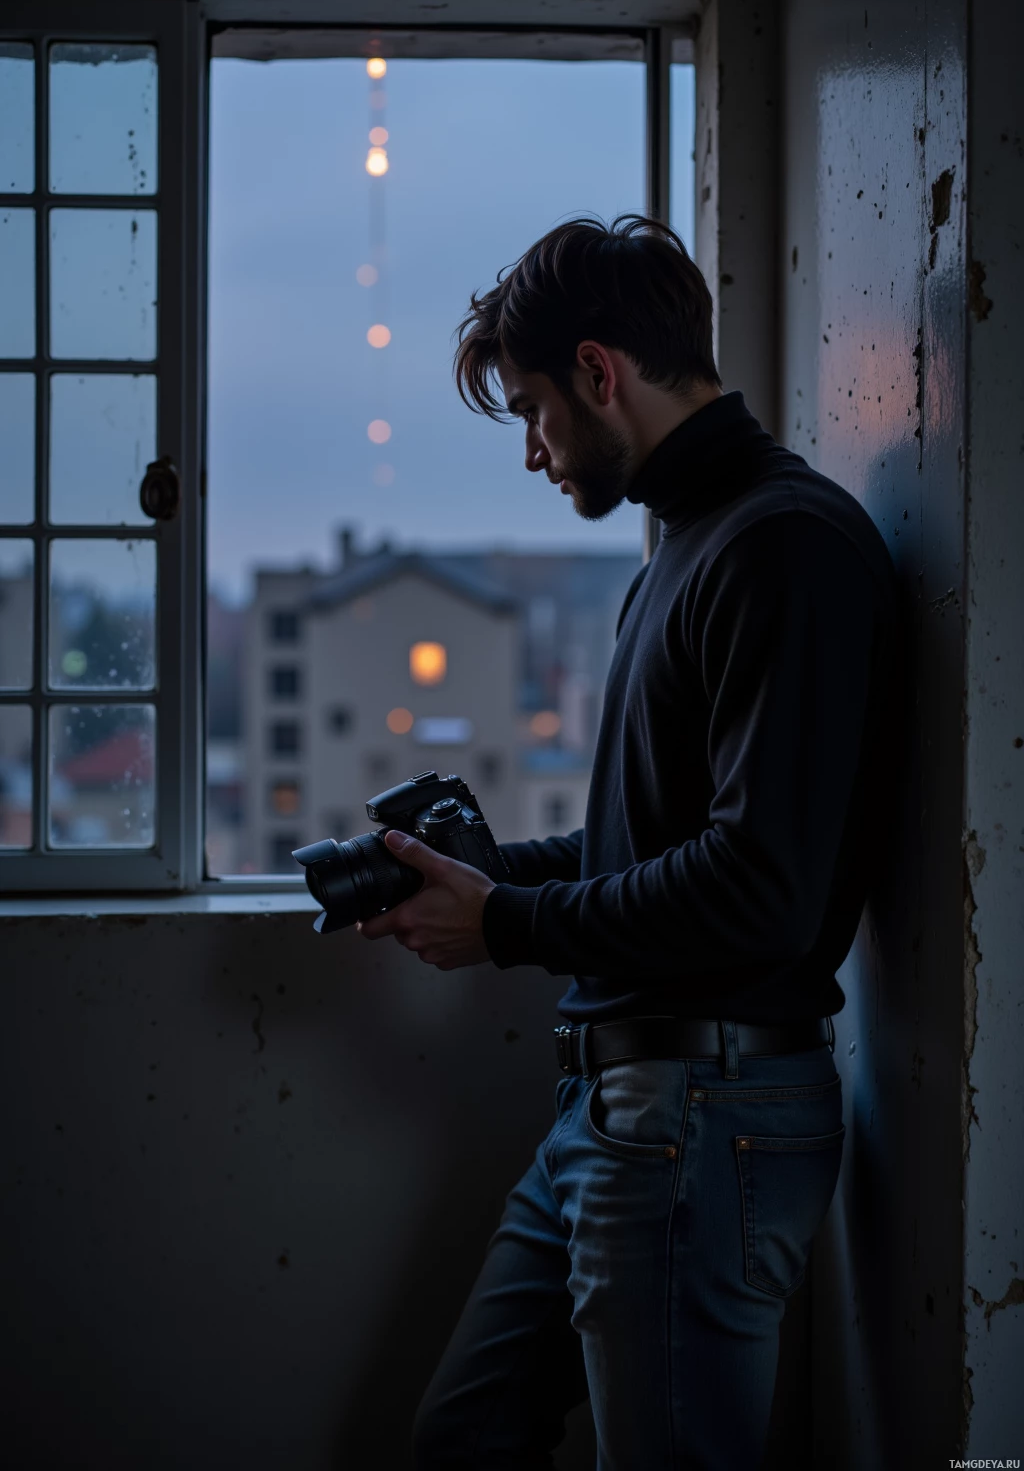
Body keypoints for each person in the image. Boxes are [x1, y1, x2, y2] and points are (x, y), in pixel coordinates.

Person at [356, 214, 900, 1469]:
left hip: (702, 1117)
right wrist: (481, 880)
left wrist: (503, 926)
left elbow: (757, 888)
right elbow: (638, 843)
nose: (536, 452)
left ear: (601, 373)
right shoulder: (690, 547)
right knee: (465, 1435)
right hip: (623, 1107)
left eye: (537, 410)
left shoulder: (782, 546)